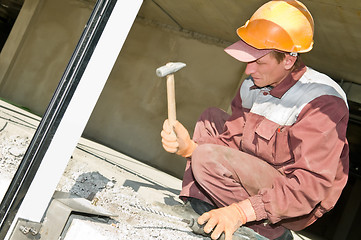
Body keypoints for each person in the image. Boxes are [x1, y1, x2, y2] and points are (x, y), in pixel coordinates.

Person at [161, 1, 349, 240]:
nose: (249, 70)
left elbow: (308, 187)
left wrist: (239, 212)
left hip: (295, 199)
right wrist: (188, 148)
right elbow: (231, 142)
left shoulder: (323, 101)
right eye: (249, 60)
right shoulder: (252, 85)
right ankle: (201, 202)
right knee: (211, 119)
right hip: (260, 168)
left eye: (259, 62)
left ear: (288, 61)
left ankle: (268, 231)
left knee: (206, 157)